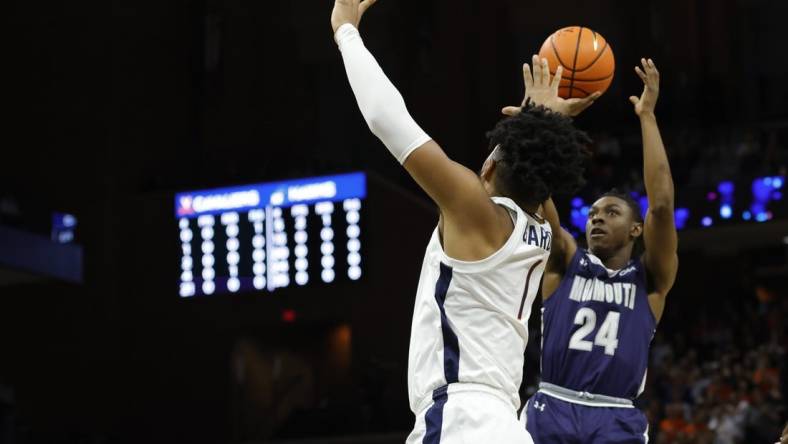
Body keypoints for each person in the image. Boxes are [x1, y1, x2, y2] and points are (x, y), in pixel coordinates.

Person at [329, 1, 597, 441]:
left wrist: (345, 31)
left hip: (459, 420)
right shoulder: (542, 231)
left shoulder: (477, 210)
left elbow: (386, 119)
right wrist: (544, 124)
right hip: (504, 426)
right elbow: (529, 173)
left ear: (489, 168)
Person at [518, 57, 679, 443]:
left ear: (636, 229)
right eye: (592, 213)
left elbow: (661, 204)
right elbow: (533, 188)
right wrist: (538, 120)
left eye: (611, 212)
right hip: (552, 406)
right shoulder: (565, 260)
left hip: (616, 417)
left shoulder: (651, 280)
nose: (597, 219)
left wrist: (647, 117)